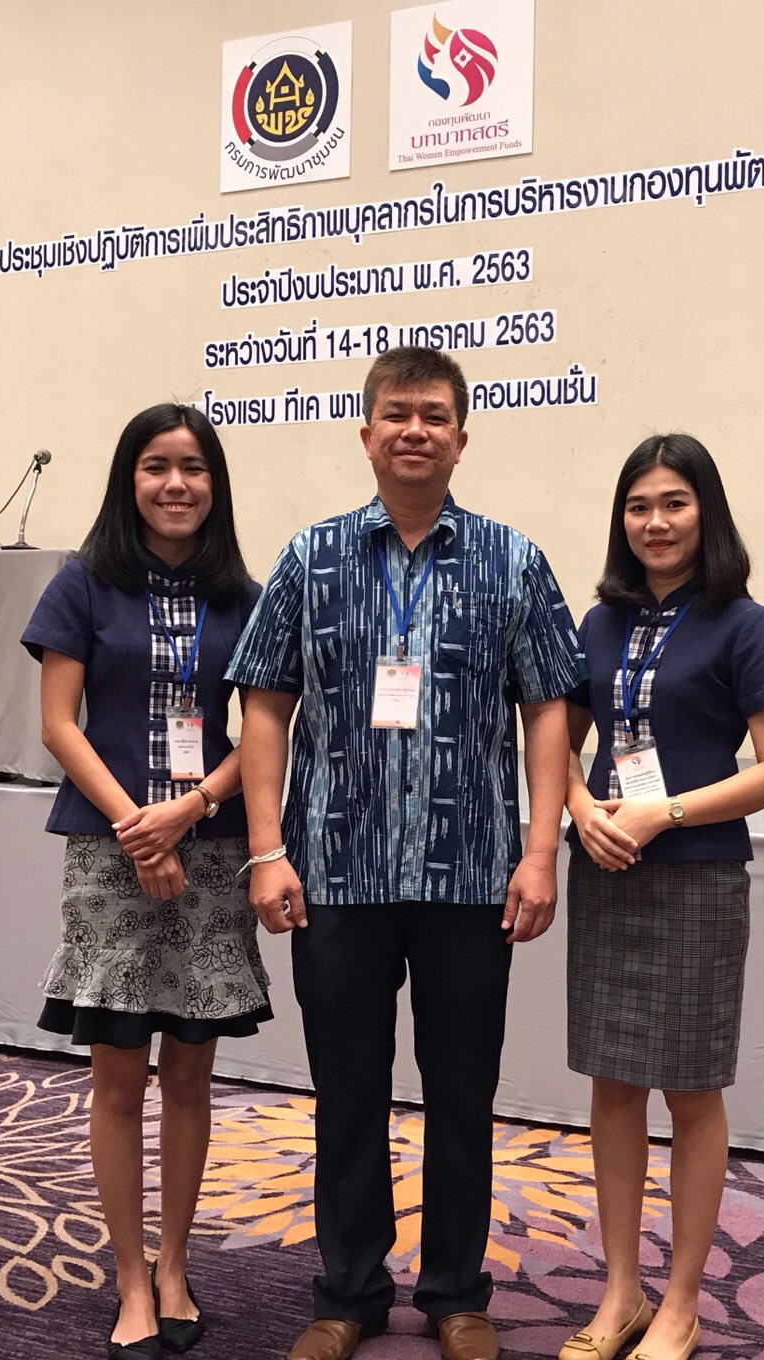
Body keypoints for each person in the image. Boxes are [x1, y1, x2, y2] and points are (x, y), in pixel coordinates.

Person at [226, 347, 583, 1360]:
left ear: (461, 438)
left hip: (471, 874)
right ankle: (347, 1294)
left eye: (433, 415)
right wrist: (266, 849)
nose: (413, 430)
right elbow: (266, 706)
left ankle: (457, 1293)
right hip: (336, 871)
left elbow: (548, 710)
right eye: (396, 413)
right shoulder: (311, 557)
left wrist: (541, 852)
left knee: (462, 1092)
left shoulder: (513, 559)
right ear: (367, 432)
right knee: (346, 1090)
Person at [21, 403, 272, 1360]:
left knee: (192, 1076)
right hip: (110, 852)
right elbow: (59, 723)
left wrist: (188, 811)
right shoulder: (85, 583)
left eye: (194, 467)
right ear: (130, 480)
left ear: (216, 483)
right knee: (119, 1076)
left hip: (207, 854)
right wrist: (140, 825)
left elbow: (263, 732)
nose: (177, 484)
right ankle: (130, 1275)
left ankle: (175, 1263)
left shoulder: (243, 595)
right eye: (157, 466)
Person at [561, 434, 764, 1360]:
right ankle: (621, 1291)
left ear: (707, 512)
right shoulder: (600, 622)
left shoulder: (743, 622)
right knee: (613, 1083)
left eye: (674, 503)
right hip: (608, 870)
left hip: (697, 874)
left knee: (691, 1089)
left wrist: (663, 813)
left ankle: (682, 1303)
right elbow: (558, 741)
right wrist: (580, 806)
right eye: (638, 506)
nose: (654, 522)